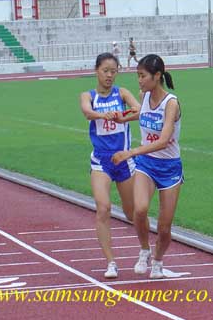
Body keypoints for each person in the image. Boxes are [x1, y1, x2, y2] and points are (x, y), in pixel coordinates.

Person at [112, 54, 183, 279]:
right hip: (146, 165)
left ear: (157, 76)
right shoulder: (144, 96)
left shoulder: (171, 103)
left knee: (164, 227)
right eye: (138, 76)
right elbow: (141, 113)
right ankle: (144, 250)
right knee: (139, 209)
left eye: (142, 76)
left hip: (170, 167)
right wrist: (123, 118)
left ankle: (159, 262)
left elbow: (163, 140)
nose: (139, 81)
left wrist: (131, 152)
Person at [80, 52, 141, 278]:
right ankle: (111, 262)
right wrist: (104, 115)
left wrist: (122, 115)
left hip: (124, 160)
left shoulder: (122, 93)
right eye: (105, 71)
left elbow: (139, 111)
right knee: (103, 208)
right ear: (97, 70)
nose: (109, 76)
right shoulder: (88, 95)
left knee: (132, 213)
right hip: (101, 162)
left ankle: (146, 252)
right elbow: (87, 112)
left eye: (113, 72)